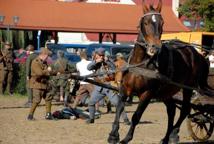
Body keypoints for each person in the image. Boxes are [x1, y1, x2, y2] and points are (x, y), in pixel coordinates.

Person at [85, 47, 130, 124]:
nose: (101, 57)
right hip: (99, 87)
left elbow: (114, 68)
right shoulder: (95, 62)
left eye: (102, 55)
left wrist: (108, 61)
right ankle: (91, 118)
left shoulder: (109, 61)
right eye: (99, 55)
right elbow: (88, 68)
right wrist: (96, 61)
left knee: (117, 103)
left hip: (109, 86)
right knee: (91, 103)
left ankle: (126, 119)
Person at [27, 47, 53, 120]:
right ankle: (30, 115)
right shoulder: (35, 62)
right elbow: (39, 73)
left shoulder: (44, 62)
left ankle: (48, 115)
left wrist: (53, 72)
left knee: (48, 98)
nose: (48, 58)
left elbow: (46, 72)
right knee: (37, 100)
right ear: (44, 55)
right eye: (47, 56)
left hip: (45, 83)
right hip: (37, 84)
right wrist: (47, 70)